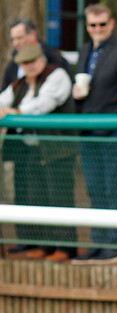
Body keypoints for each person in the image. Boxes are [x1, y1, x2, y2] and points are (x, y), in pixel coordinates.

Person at [70, 3, 117, 265]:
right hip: (89, 129)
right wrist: (76, 94)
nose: (97, 29)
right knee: (94, 188)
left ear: (110, 24)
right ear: (87, 26)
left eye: (102, 24)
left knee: (113, 187)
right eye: (92, 25)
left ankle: (113, 244)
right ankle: (98, 243)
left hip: (113, 131)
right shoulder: (85, 50)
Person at [0, 45, 76, 261]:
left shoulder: (56, 75)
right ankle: (45, 244)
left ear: (42, 60)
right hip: (30, 149)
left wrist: (17, 112)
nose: (29, 67)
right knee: (37, 196)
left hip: (57, 149)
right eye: (25, 63)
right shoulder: (20, 84)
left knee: (59, 197)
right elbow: (4, 99)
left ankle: (66, 246)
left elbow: (45, 104)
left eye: (33, 61)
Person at [3, 17, 72, 91]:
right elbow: (6, 93)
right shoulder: (13, 63)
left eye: (19, 38)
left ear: (32, 35)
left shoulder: (54, 58)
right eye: (13, 39)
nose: (15, 43)